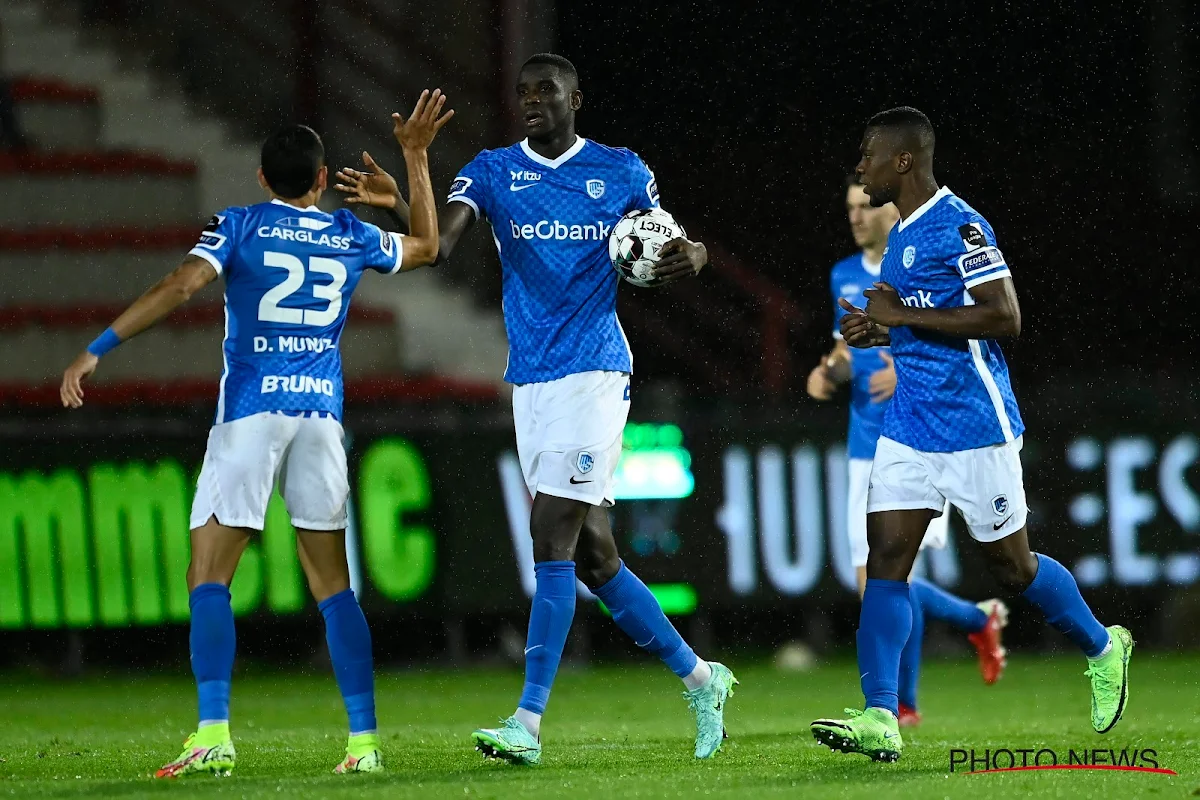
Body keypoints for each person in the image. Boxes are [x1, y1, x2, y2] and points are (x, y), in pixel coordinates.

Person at [335, 54, 736, 765]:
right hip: (532, 382)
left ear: (575, 98)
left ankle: (527, 722)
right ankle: (703, 680)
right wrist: (412, 177)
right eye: (521, 93)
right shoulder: (492, 171)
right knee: (595, 557)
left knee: (549, 534)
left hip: (596, 374)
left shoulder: (619, 170)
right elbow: (436, 246)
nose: (530, 102)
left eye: (544, 92)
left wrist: (696, 256)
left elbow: (669, 244)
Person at [60, 90, 454, 777]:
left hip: (251, 411)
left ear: (263, 178)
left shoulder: (239, 225)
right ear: (325, 179)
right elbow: (427, 245)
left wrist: (98, 346)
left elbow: (184, 285)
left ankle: (213, 733)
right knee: (333, 587)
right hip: (319, 418)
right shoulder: (348, 234)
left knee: (209, 573)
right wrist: (412, 164)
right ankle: (364, 745)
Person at [810, 106, 1132, 763]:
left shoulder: (960, 225)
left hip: (974, 426)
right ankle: (881, 714)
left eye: (869, 154)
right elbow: (915, 320)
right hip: (907, 427)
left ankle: (1104, 646)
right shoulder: (899, 236)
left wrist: (898, 314)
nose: (861, 166)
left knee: (1013, 568)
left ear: (903, 161)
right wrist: (883, 331)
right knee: (885, 565)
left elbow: (1004, 316)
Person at [807, 178, 1009, 727]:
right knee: (875, 579)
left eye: (863, 206)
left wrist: (905, 366)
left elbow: (966, 327)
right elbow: (845, 343)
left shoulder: (914, 257)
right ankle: (975, 621)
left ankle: (903, 704)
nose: (855, 216)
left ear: (887, 209)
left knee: (889, 575)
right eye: (847, 207)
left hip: (922, 434)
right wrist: (830, 371)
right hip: (863, 441)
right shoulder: (843, 274)